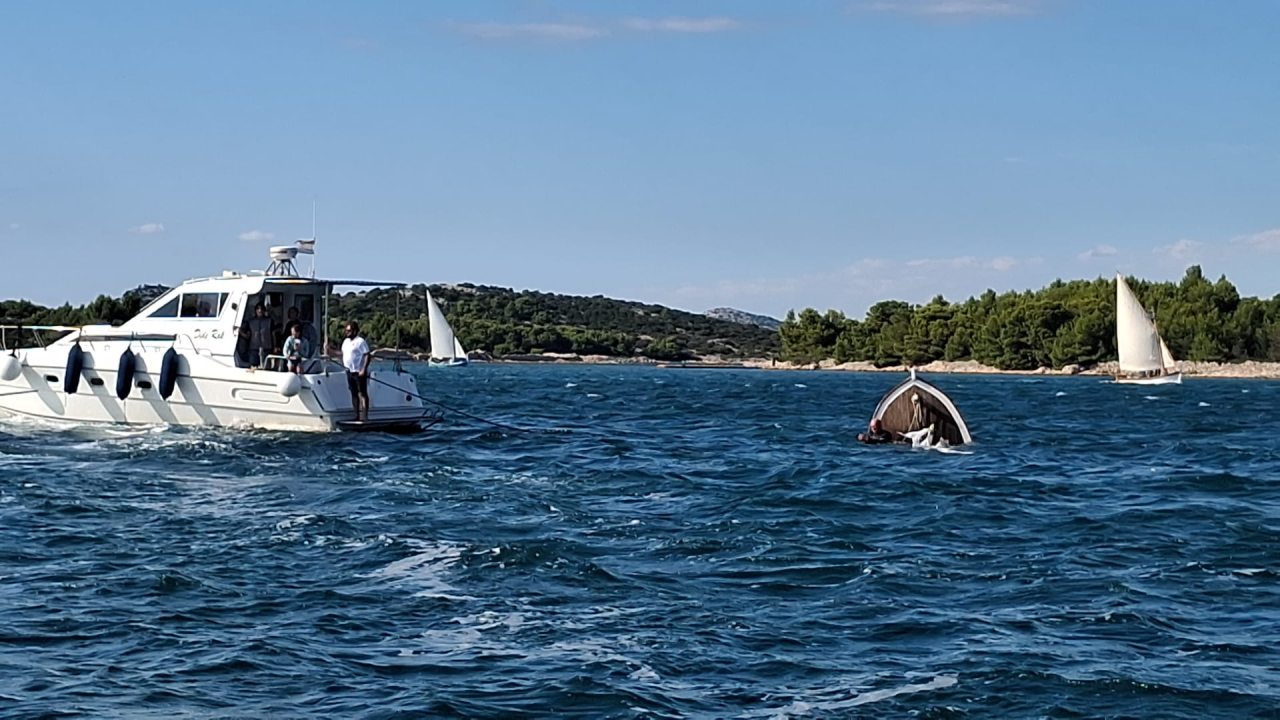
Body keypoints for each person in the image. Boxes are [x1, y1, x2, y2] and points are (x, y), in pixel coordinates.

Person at [341, 321, 372, 421]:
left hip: (358, 371)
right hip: (349, 371)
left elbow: (367, 355)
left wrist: (363, 369)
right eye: (346, 331)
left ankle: (365, 415)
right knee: (353, 393)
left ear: (354, 331)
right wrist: (329, 351)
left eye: (349, 331)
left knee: (362, 393)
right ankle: (356, 414)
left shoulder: (360, 341)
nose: (347, 332)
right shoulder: (345, 342)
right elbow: (341, 353)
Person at [245, 304, 274, 369]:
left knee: (267, 367)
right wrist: (240, 331)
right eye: (258, 309)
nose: (260, 310)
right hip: (253, 348)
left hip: (267, 348)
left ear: (264, 311)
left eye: (261, 309)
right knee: (253, 367)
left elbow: (273, 334)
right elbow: (247, 335)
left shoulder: (269, 321)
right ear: (255, 310)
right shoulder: (250, 321)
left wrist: (275, 346)